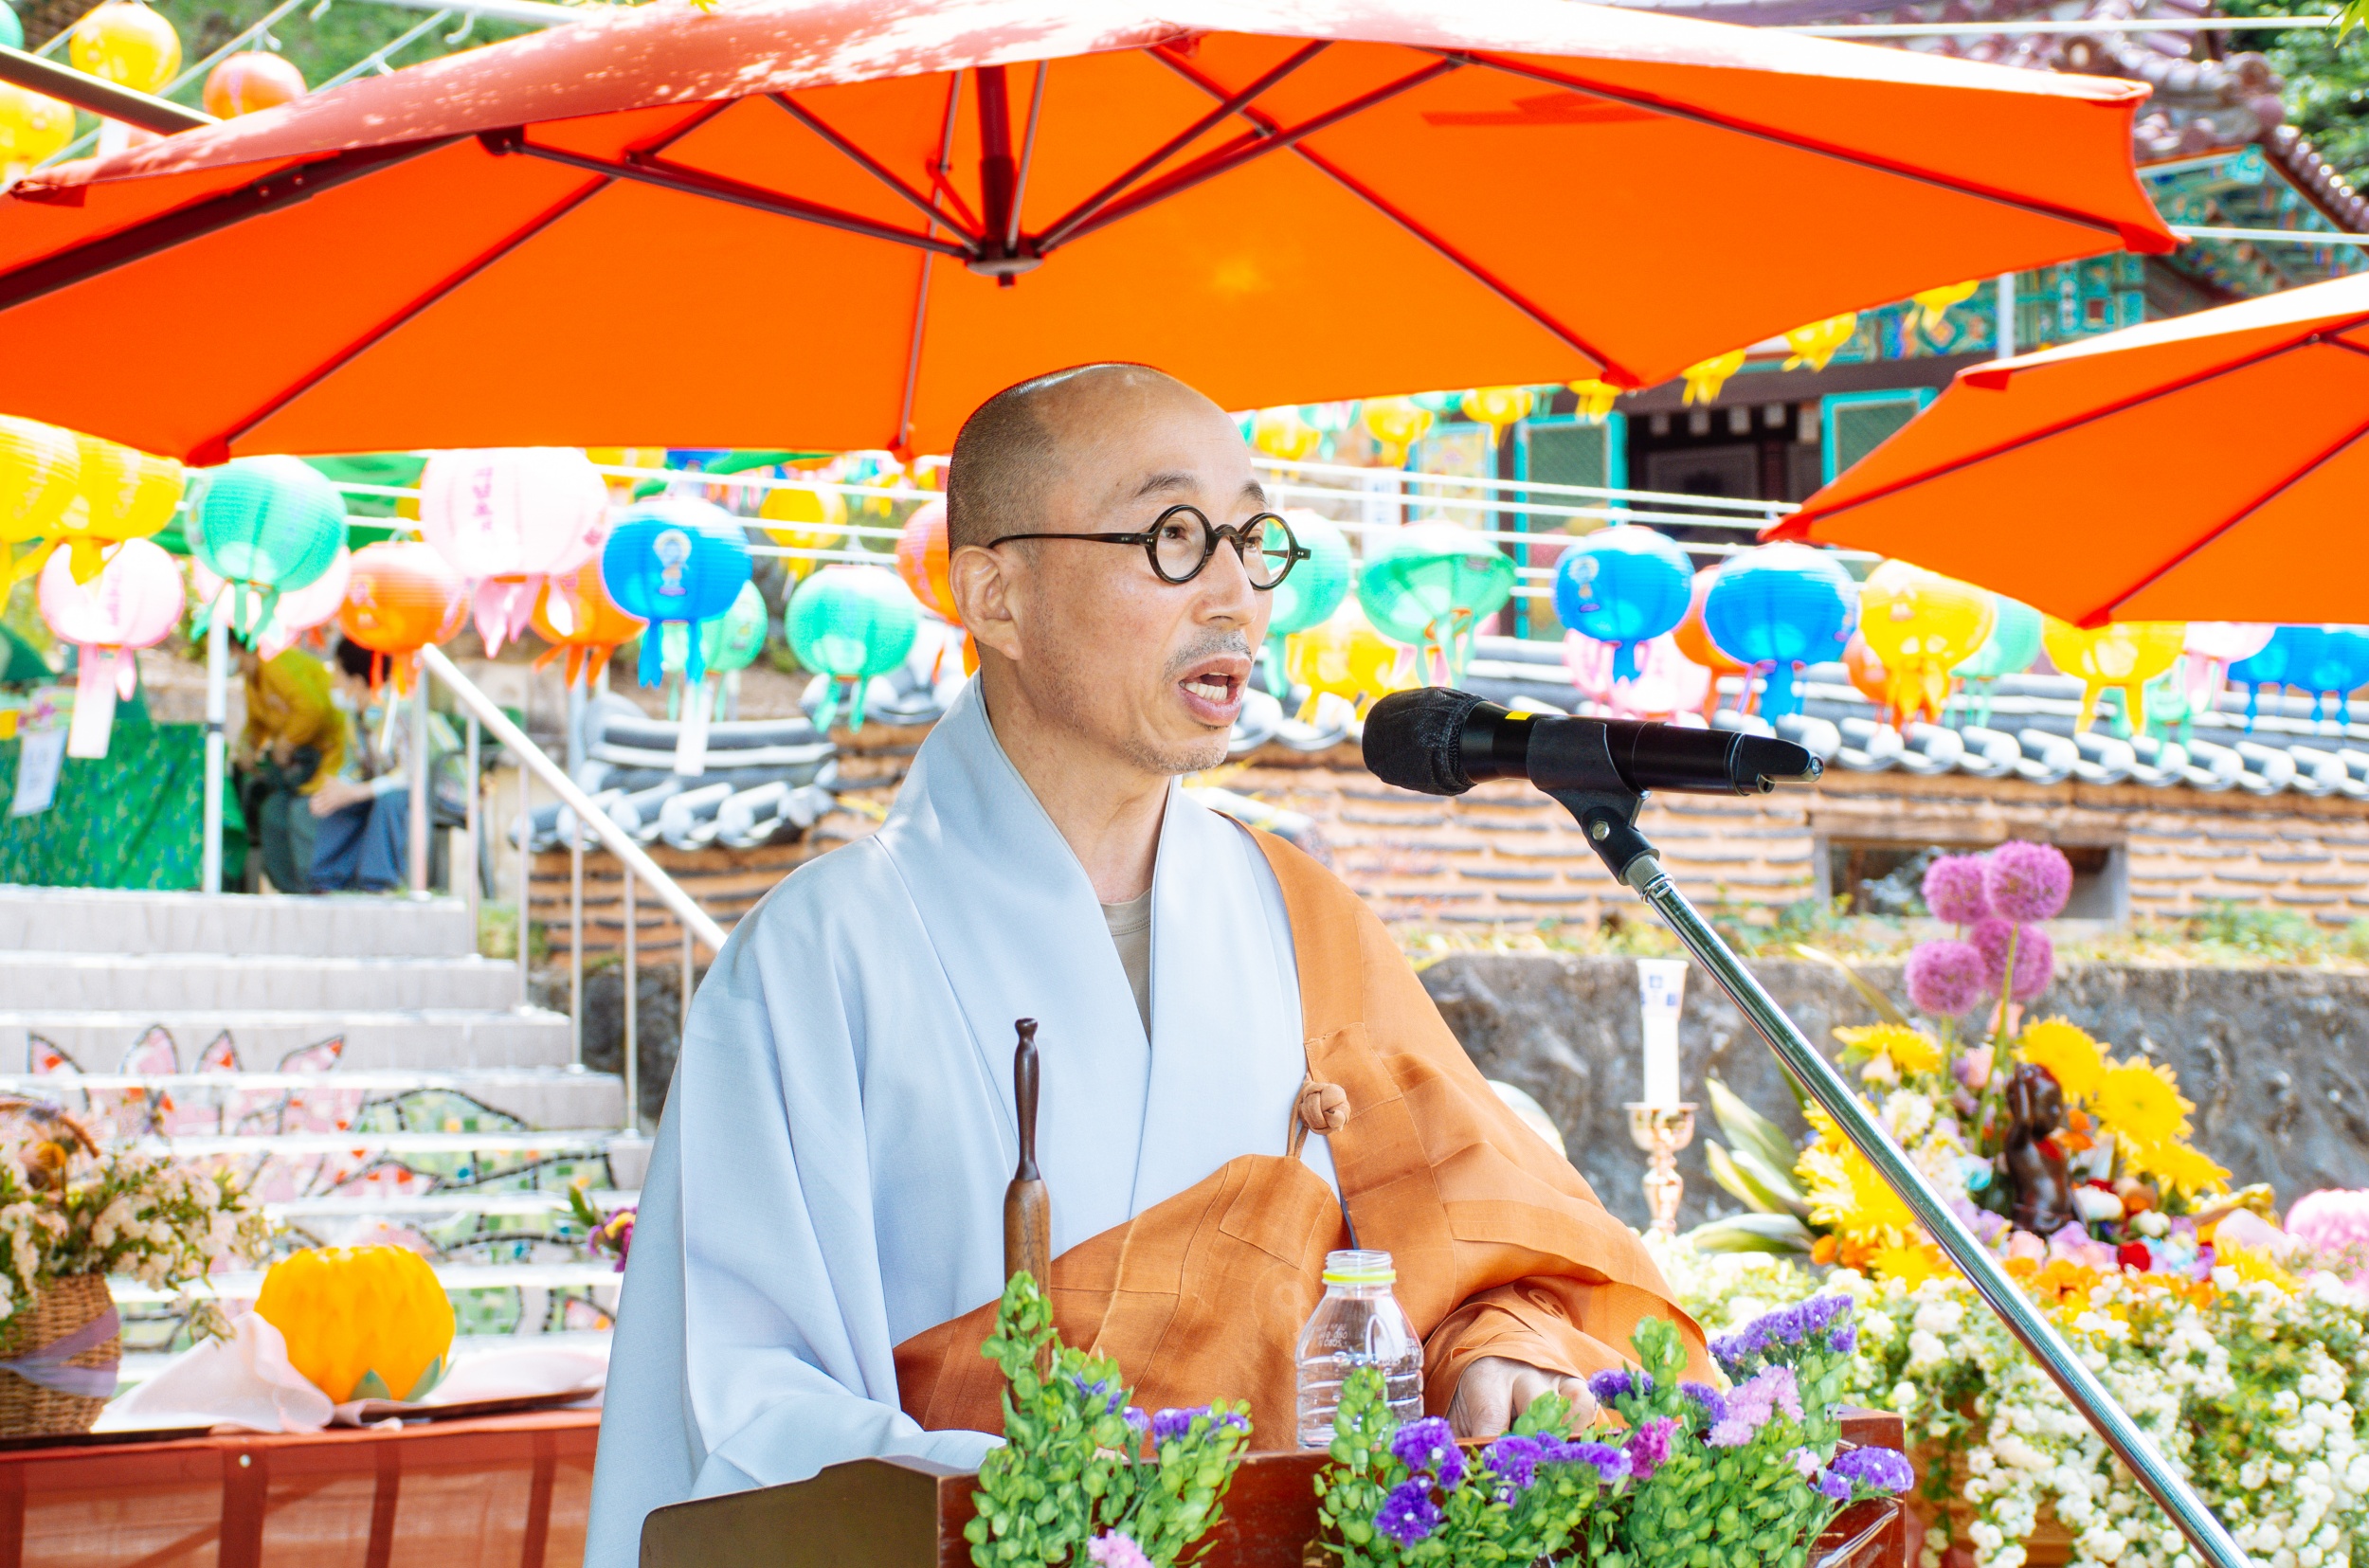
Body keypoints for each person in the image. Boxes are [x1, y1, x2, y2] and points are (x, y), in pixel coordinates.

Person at [587, 366, 1701, 1561]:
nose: (1236, 597)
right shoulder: (818, 957)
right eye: (1172, 536)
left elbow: (1473, 1260)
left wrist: (1496, 1356)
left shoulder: (1299, 917)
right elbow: (748, 1409)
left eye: (1252, 539)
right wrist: (1072, 1511)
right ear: (997, 595)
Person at [233, 643, 345, 894]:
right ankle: (292, 891)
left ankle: (317, 889)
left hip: (327, 758)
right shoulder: (253, 681)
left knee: (302, 812)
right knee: (272, 812)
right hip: (297, 767)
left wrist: (287, 741)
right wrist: (248, 747)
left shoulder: (275, 665)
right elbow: (257, 724)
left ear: (236, 649)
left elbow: (312, 709)